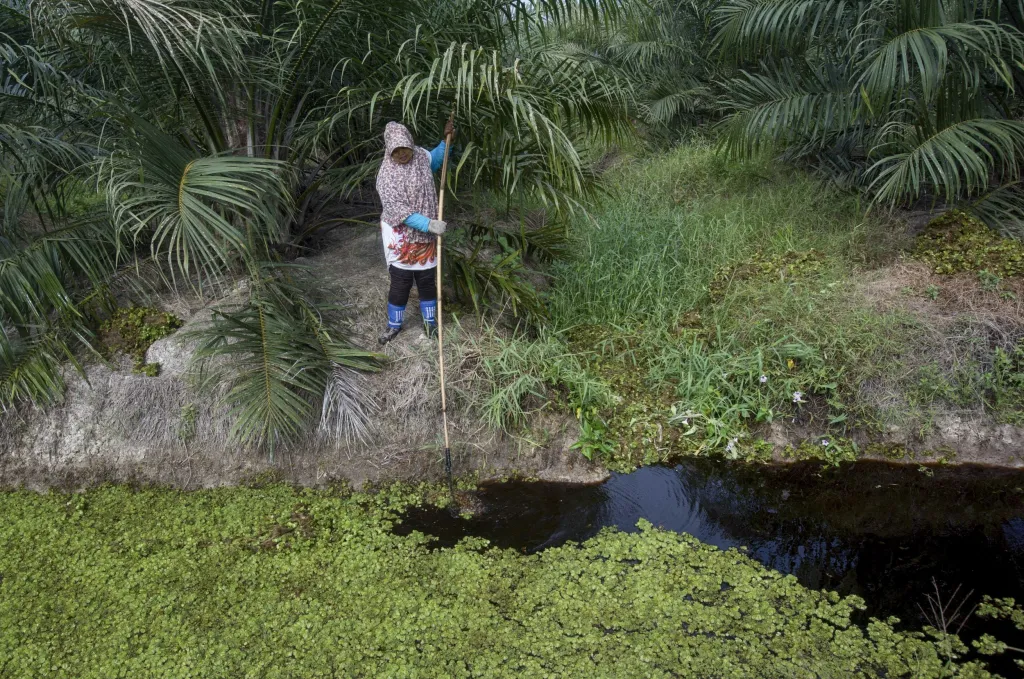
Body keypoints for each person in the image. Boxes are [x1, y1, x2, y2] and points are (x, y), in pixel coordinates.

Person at [374, 119, 454, 345]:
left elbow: (436, 161)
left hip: (426, 235)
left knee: (427, 279)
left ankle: (431, 323)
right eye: (396, 150)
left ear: (410, 144)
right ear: (389, 150)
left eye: (404, 148)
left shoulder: (419, 156)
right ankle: (393, 326)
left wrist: (445, 141)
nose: (402, 154)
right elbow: (399, 210)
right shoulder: (386, 175)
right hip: (402, 238)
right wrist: (429, 225)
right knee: (401, 281)